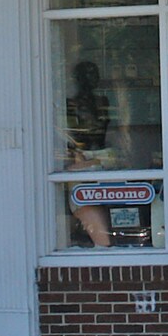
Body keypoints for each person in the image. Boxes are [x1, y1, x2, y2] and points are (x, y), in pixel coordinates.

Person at [63, 60, 115, 247]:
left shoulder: (103, 101)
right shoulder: (71, 104)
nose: (93, 78)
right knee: (86, 205)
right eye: (87, 74)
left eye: (95, 73)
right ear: (78, 78)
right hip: (83, 158)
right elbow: (71, 135)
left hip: (104, 157)